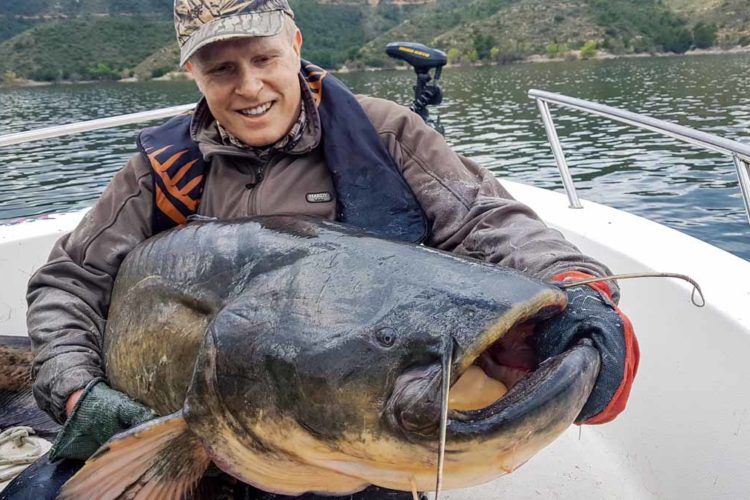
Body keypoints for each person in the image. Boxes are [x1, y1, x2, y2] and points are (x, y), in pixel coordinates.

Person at [15, 0, 639, 498]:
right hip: (191, 425)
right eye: (221, 70)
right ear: (194, 76)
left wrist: (578, 287)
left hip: (351, 423)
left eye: (263, 58)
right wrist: (80, 394)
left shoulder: (386, 131)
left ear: (296, 46)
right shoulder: (159, 170)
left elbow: (488, 220)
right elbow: (67, 281)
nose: (249, 86)